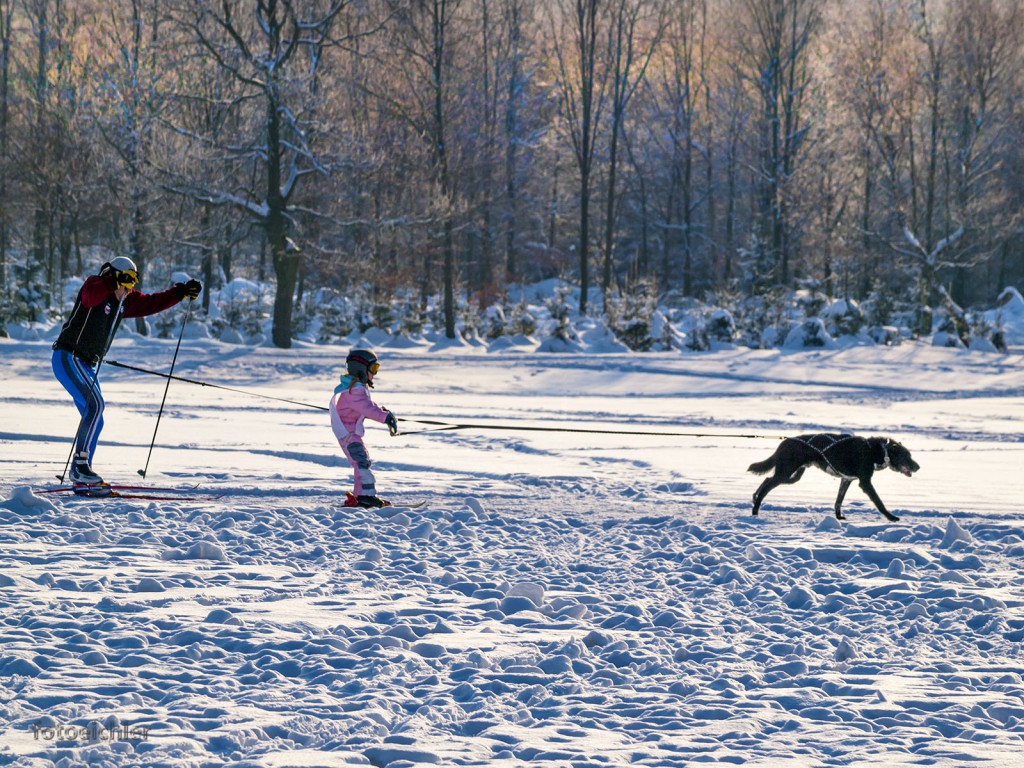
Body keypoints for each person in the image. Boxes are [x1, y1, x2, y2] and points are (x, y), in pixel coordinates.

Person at [52, 256, 202, 485]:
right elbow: (90, 297)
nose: (127, 290)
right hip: (68, 357)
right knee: (95, 405)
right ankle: (80, 468)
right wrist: (111, 282)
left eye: (131, 284)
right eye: (125, 283)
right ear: (113, 277)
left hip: (86, 364)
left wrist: (180, 293)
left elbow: (152, 302)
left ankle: (83, 474)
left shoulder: (124, 302)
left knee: (96, 417)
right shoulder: (94, 285)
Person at [330, 348, 399, 508]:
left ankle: (362, 496)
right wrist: (384, 417)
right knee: (361, 463)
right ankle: (365, 497)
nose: (374, 374)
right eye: (373, 369)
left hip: (350, 433)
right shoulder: (355, 391)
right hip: (348, 434)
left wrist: (383, 413)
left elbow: (368, 406)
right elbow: (366, 408)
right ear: (361, 368)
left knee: (361, 462)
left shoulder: (356, 388)